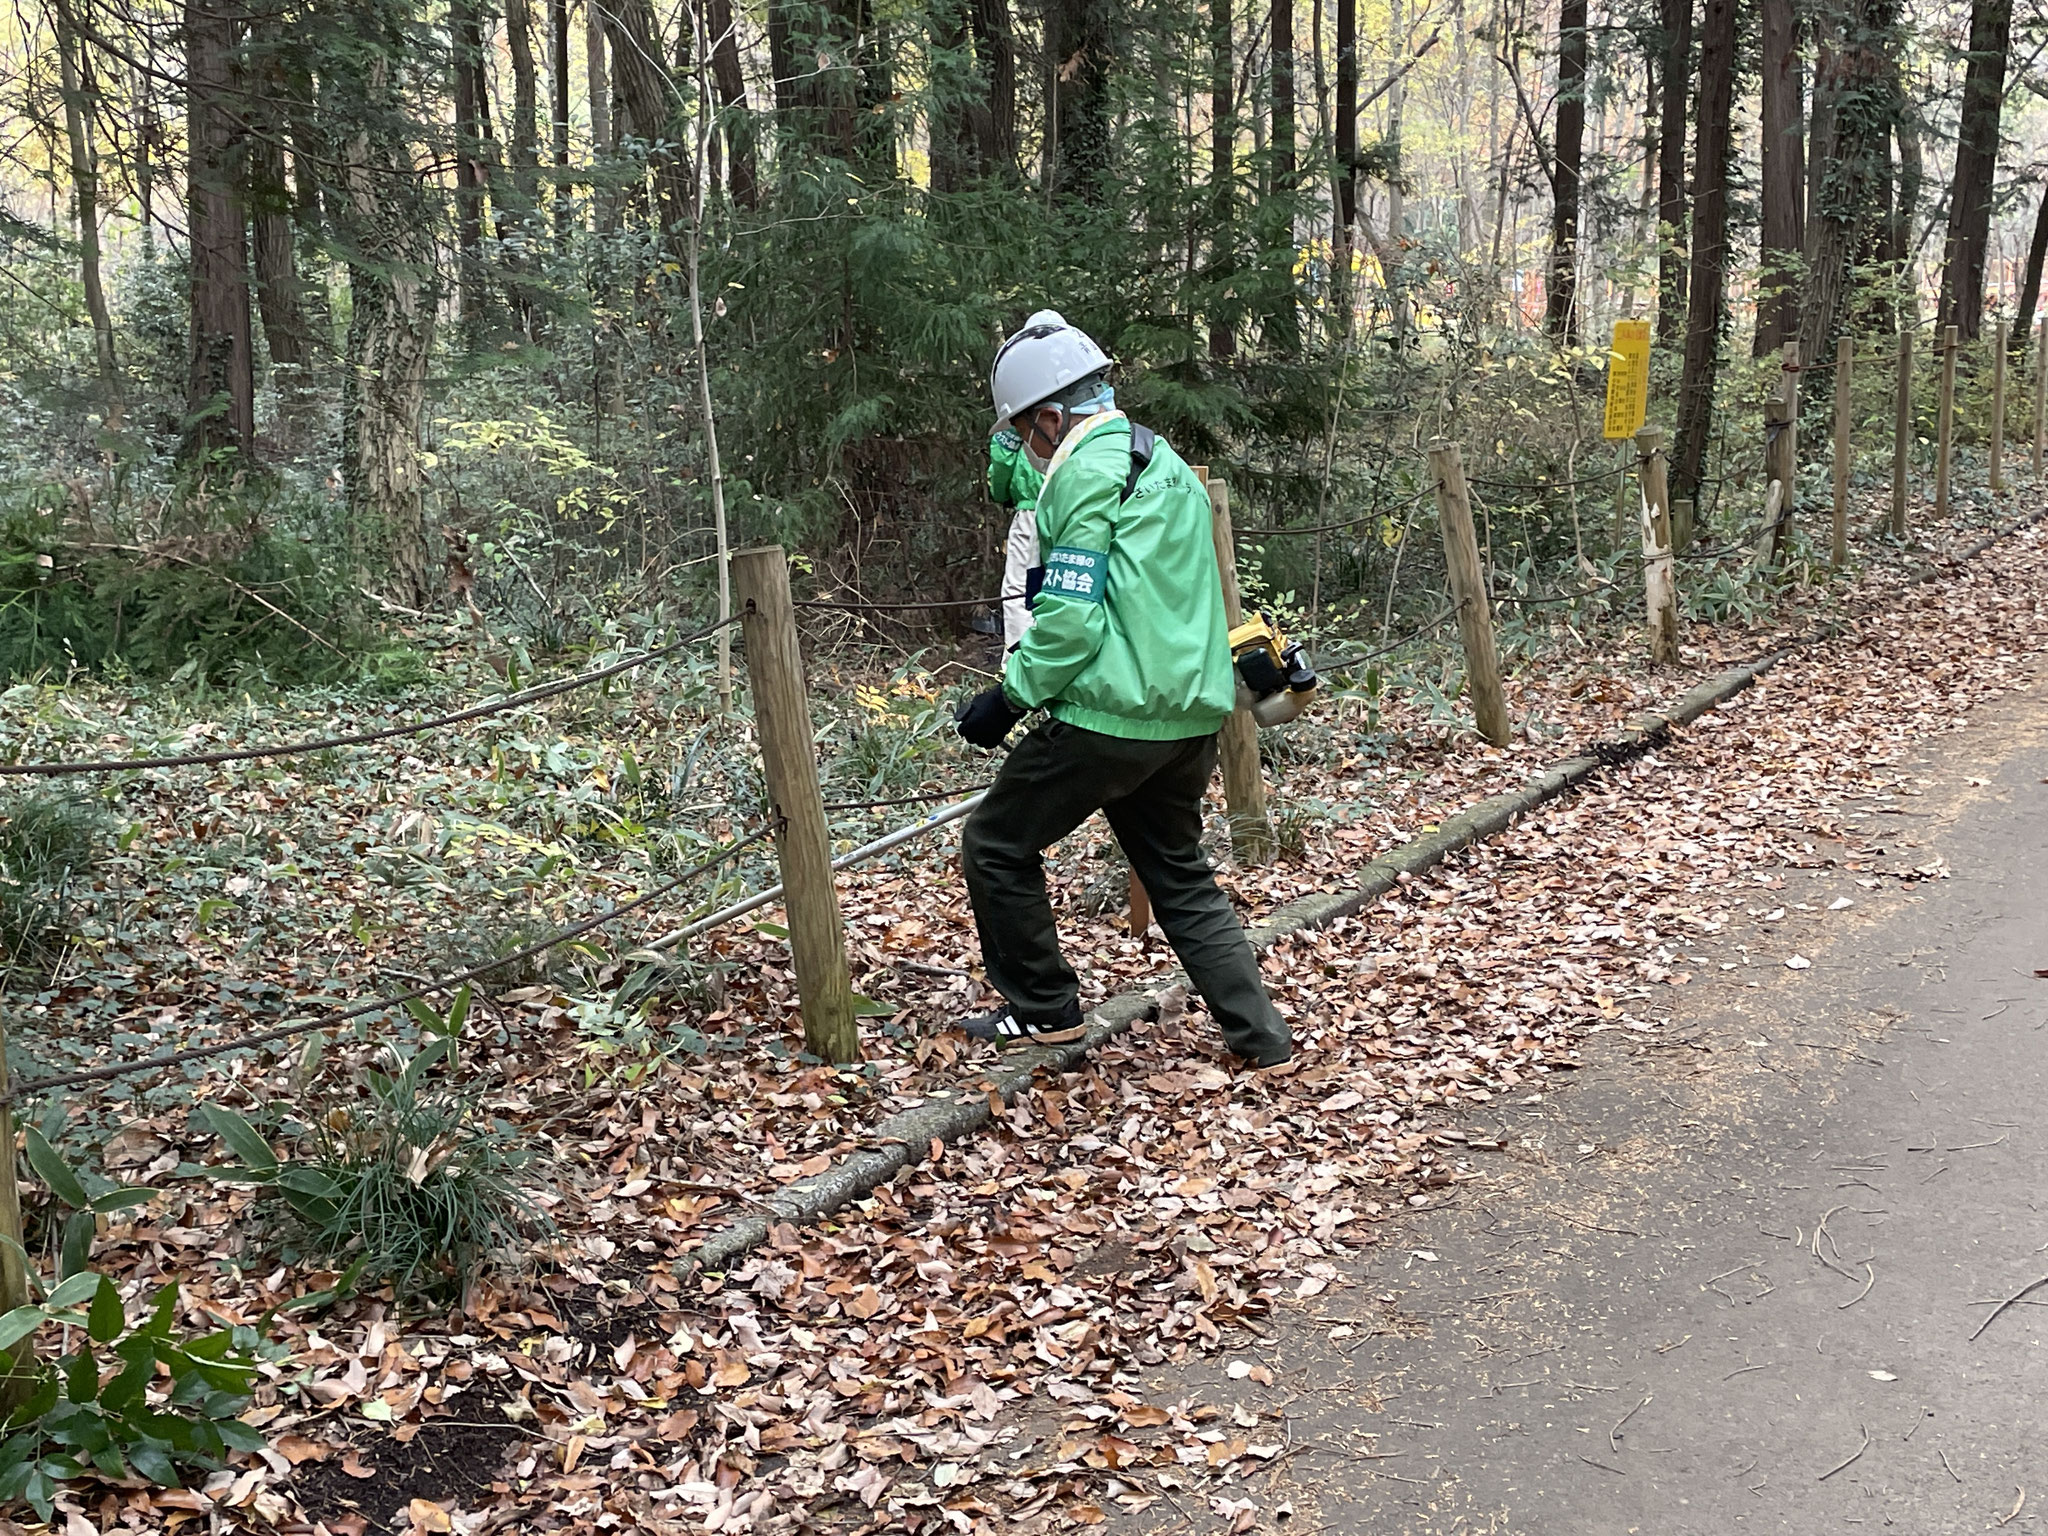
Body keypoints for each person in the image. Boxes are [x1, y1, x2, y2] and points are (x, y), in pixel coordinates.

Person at [951, 311, 1293, 1068]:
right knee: (1178, 872)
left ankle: (1045, 1010)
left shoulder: (1083, 473)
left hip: (1107, 716)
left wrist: (1007, 699)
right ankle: (1262, 1037)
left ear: (1048, 419)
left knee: (996, 844)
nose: (1025, 449)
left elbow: (1070, 621)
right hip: (1190, 716)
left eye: (1022, 431)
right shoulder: (1163, 462)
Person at [988, 427, 1044, 651]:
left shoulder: (1022, 415)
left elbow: (1002, 462)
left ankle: (1017, 667)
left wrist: (1003, 494)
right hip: (1078, 507)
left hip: (1031, 511)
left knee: (1019, 592)